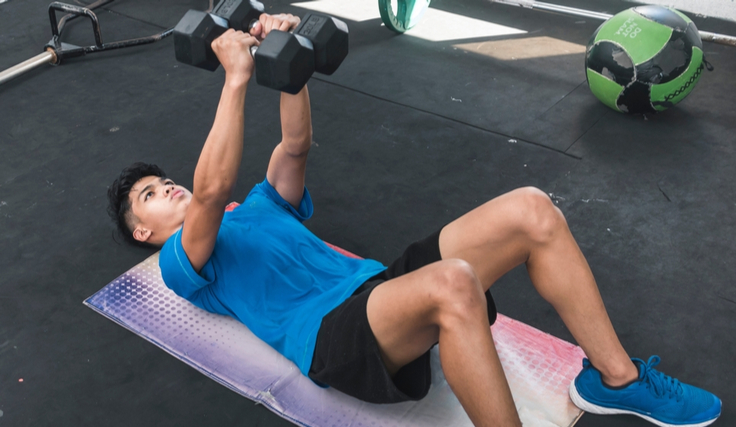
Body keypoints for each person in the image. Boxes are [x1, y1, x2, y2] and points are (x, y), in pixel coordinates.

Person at [106, 13, 721, 427]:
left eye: (164, 182)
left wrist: (284, 59)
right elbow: (210, 193)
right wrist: (236, 78)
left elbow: (293, 149)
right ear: (143, 231)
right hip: (333, 338)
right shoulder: (180, 262)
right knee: (454, 279)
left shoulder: (261, 206)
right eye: (152, 196)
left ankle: (615, 380)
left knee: (532, 208)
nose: (170, 189)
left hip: (381, 291)